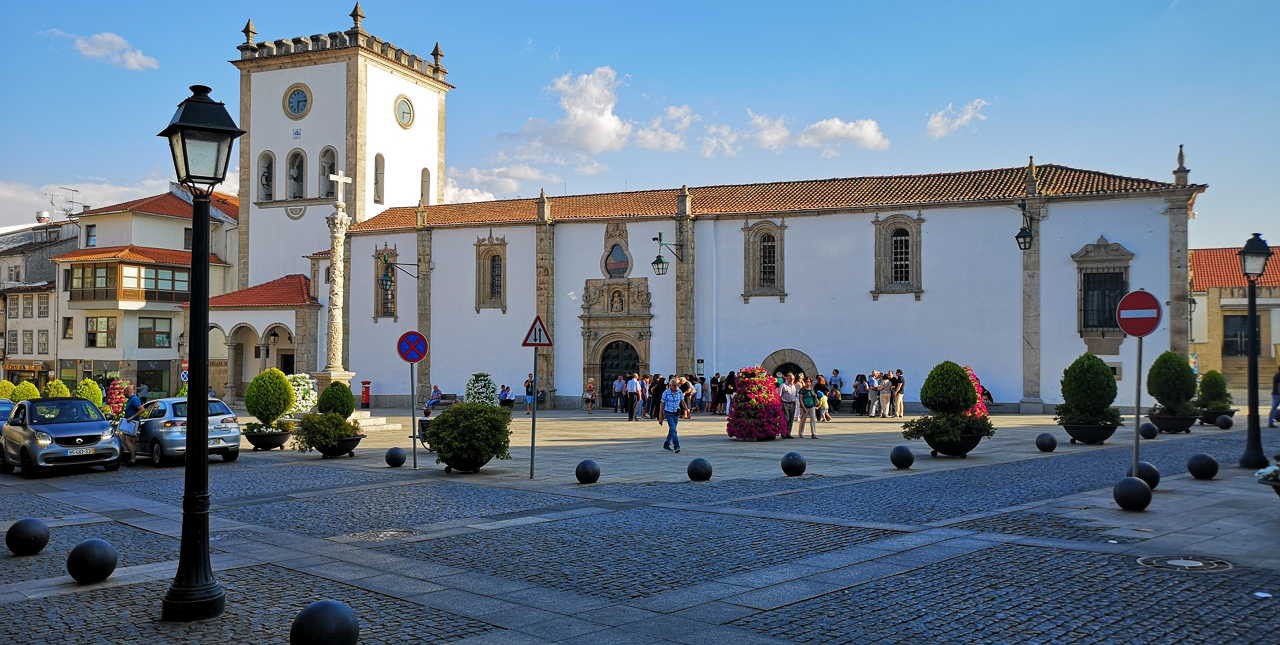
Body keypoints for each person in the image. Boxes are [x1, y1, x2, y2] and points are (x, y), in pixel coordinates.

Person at [660, 379, 684, 453]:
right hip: (668, 413)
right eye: (674, 385)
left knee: (672, 430)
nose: (676, 387)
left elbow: (682, 401)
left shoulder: (679, 391)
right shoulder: (666, 393)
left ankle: (666, 444)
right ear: (670, 386)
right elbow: (662, 404)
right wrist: (661, 416)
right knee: (673, 429)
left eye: (677, 385)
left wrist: (687, 409)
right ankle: (676, 446)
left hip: (676, 412)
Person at [778, 373, 798, 438]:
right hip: (785, 403)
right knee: (786, 419)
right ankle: (783, 433)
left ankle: (788, 433)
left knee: (791, 419)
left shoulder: (794, 386)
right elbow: (779, 396)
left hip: (792, 403)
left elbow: (795, 395)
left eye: (793, 379)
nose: (793, 380)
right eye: (791, 378)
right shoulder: (783, 385)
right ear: (787, 378)